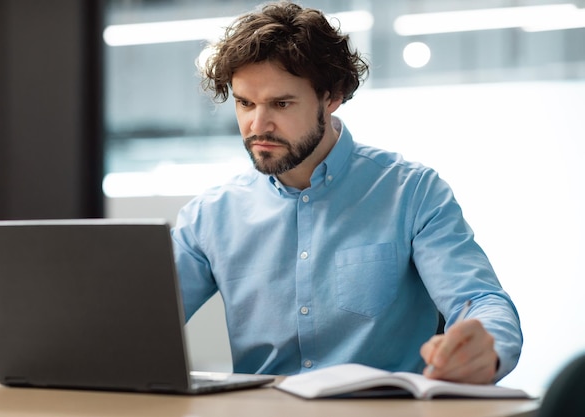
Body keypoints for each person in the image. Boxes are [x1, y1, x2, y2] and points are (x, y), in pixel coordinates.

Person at [171, 1, 522, 384]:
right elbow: (140, 320)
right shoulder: (209, 216)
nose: (258, 125)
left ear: (332, 96)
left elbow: (481, 300)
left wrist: (484, 345)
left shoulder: (411, 192)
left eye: (281, 103)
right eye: (245, 103)